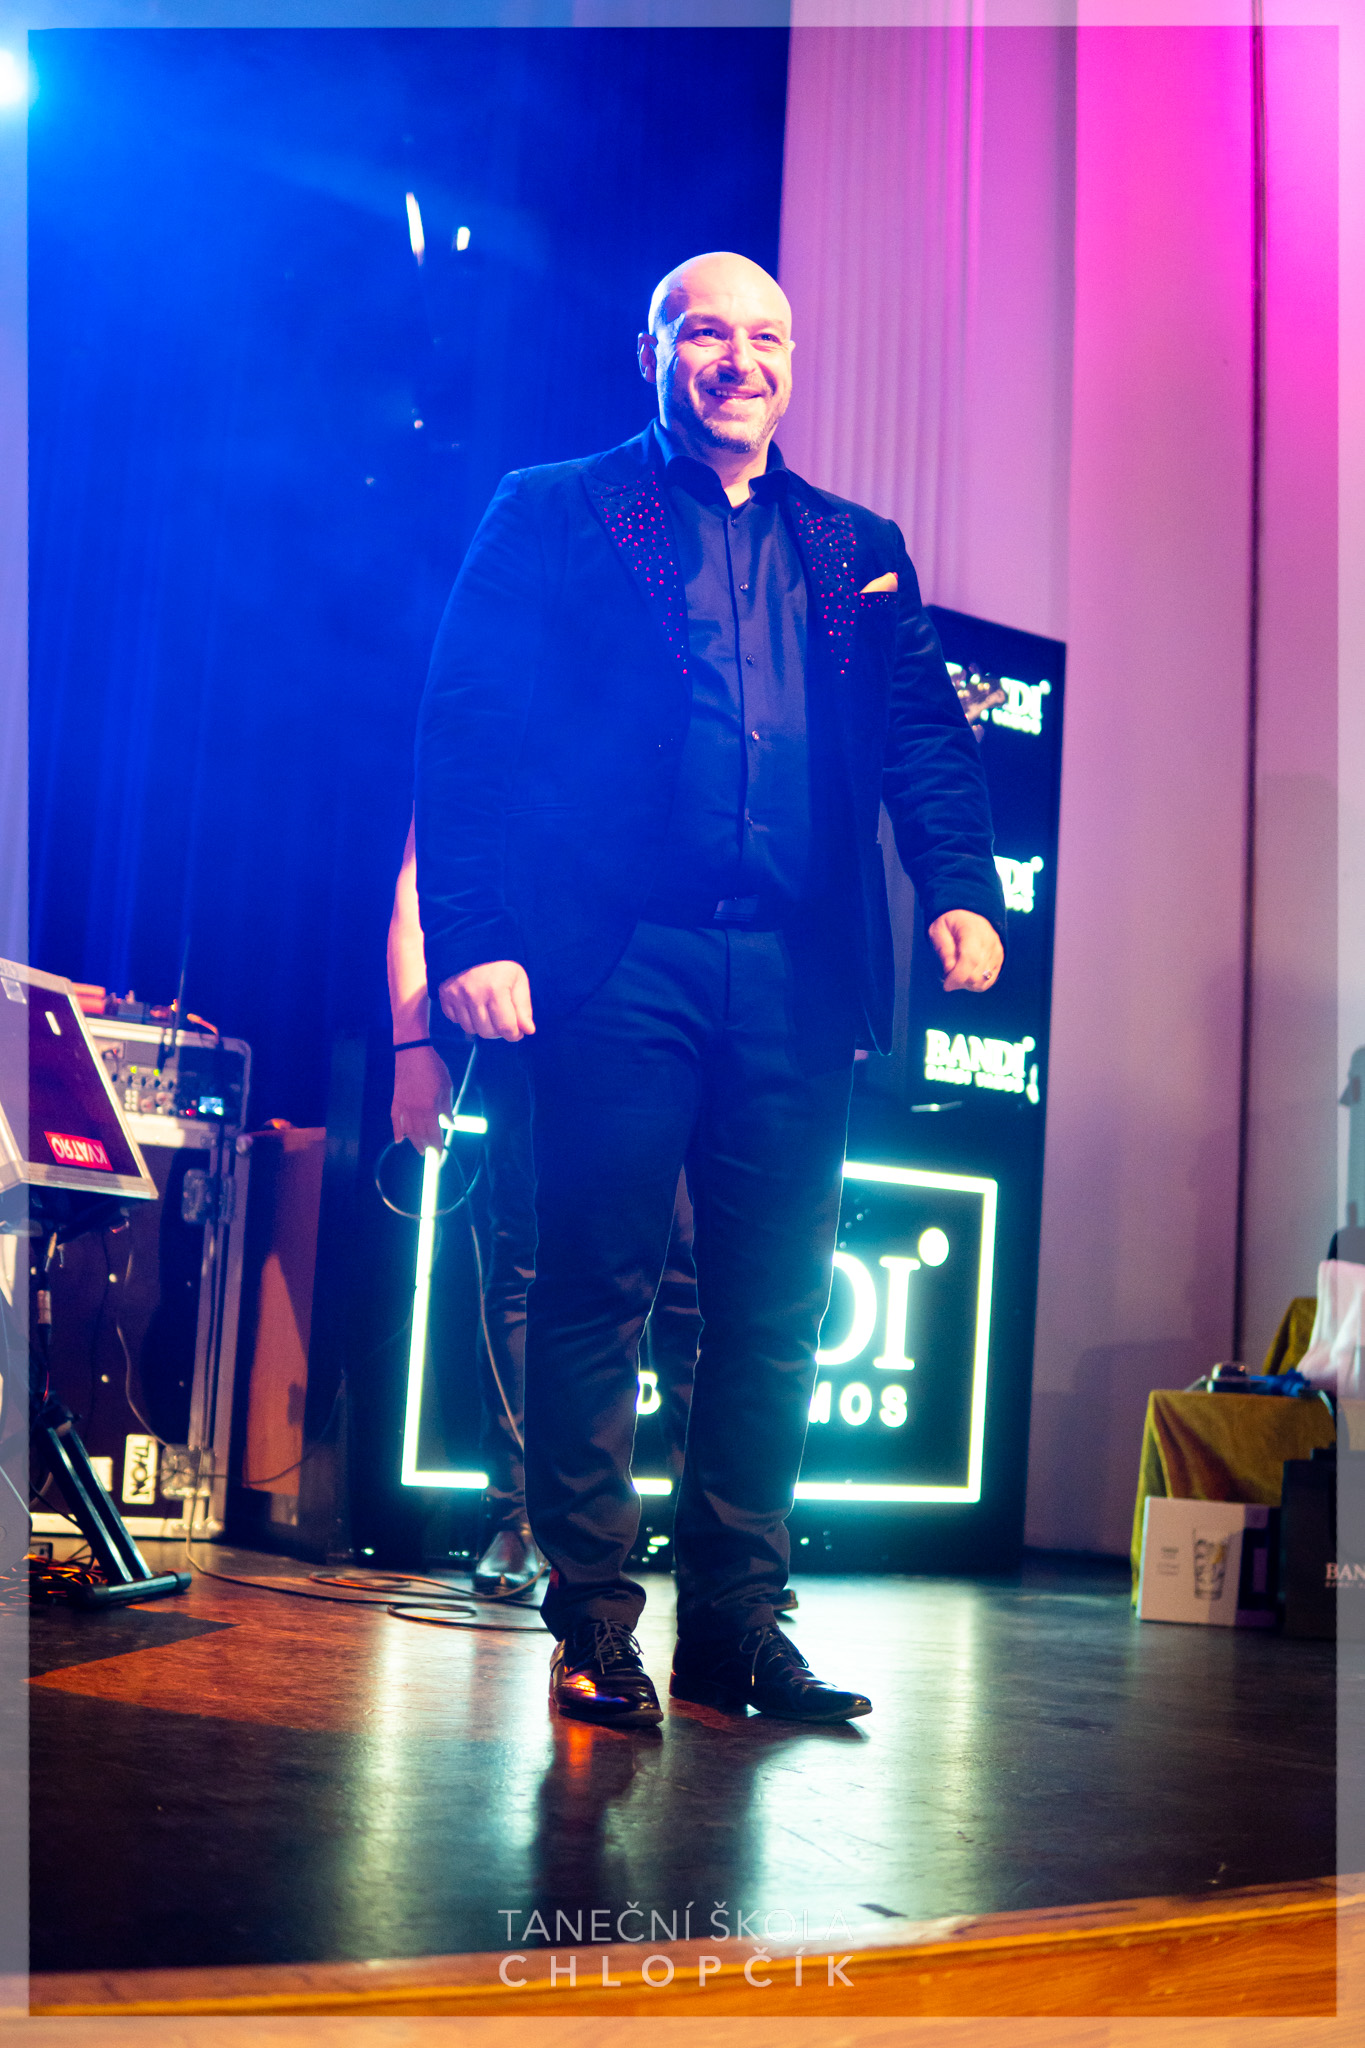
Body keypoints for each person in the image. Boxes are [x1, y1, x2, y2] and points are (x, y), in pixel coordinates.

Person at [415, 252, 1005, 1728]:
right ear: (652, 351)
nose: (741, 360)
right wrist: (471, 936)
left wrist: (957, 887)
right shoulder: (554, 508)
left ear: (792, 361)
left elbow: (925, 738)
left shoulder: (857, 544)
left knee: (773, 1310)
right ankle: (593, 1622)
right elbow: (466, 730)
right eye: (707, 333)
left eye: (768, 337)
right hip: (618, 956)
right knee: (595, 1291)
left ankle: (737, 1628)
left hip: (799, 970)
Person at [389, 817, 706, 1592]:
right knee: (526, 1264)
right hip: (536, 1021)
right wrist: (411, 1047)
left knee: (686, 1273)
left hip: (661, 1007)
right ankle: (516, 1518)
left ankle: (711, 1540)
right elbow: (416, 892)